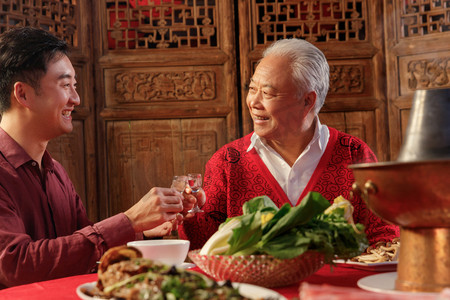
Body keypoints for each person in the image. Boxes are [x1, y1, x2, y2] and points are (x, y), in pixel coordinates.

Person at [0, 27, 199, 288]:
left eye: (75, 86)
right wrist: (129, 221)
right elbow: (15, 266)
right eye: (65, 85)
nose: (76, 98)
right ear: (23, 94)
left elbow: (85, 248)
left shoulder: (55, 170)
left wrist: (149, 226)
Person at [179, 38, 400, 250]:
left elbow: (384, 235)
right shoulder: (227, 162)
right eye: (252, 89)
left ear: (307, 101)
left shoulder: (354, 155)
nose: (253, 102)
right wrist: (186, 214)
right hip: (254, 289)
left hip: (339, 287)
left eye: (267, 93)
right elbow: (205, 246)